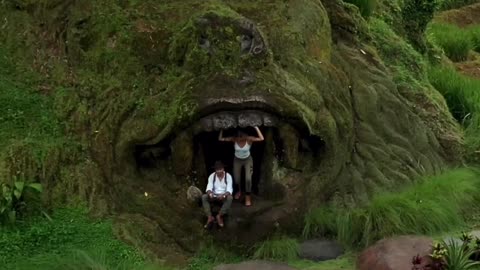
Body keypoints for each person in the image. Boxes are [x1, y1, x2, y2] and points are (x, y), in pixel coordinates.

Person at [218, 126, 264, 206]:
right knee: (236, 178)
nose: (240, 137)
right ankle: (239, 191)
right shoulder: (234, 139)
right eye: (238, 135)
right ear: (236, 135)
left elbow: (261, 138)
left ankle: (247, 197)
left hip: (247, 160)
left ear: (245, 134)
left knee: (248, 179)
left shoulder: (249, 139)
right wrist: (222, 129)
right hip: (237, 160)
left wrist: (256, 127)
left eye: (242, 135)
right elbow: (220, 139)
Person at [202, 160, 233, 228]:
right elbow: (208, 188)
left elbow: (229, 190)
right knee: (204, 197)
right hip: (214, 196)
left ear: (223, 169)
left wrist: (224, 195)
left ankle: (219, 216)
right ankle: (210, 217)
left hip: (223, 196)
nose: (219, 171)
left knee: (230, 198)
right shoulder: (212, 176)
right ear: (215, 170)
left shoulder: (228, 176)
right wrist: (210, 194)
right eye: (217, 169)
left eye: (220, 169)